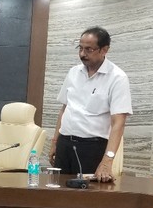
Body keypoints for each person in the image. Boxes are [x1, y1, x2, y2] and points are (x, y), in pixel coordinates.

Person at [49, 26, 132, 182]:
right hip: (64, 144)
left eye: (88, 49)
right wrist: (55, 142)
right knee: (57, 190)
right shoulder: (73, 72)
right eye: (80, 48)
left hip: (92, 148)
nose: (82, 54)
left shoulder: (117, 78)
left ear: (104, 50)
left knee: (85, 193)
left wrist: (107, 161)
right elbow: (64, 109)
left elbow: (118, 123)